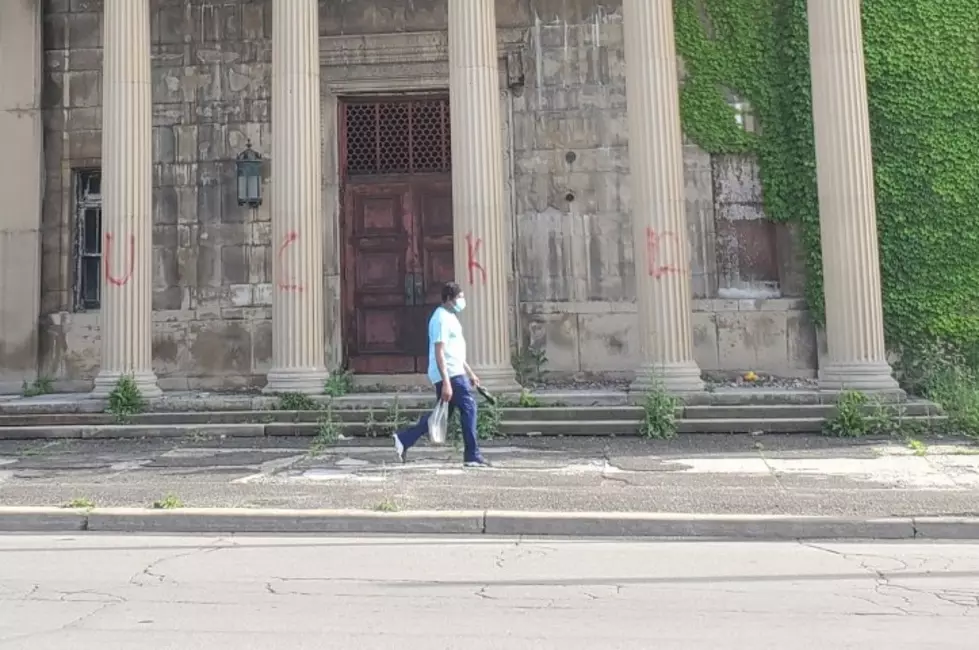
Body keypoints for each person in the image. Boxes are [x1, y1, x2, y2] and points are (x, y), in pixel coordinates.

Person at [392, 282, 492, 468]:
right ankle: (472, 454)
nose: (462, 301)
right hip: (450, 374)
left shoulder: (451, 317)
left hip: (455, 371)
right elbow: (440, 352)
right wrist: (446, 381)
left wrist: (470, 372)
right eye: (459, 297)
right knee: (469, 408)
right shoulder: (440, 319)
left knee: (441, 413)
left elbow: (455, 352)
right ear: (448, 299)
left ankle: (404, 439)